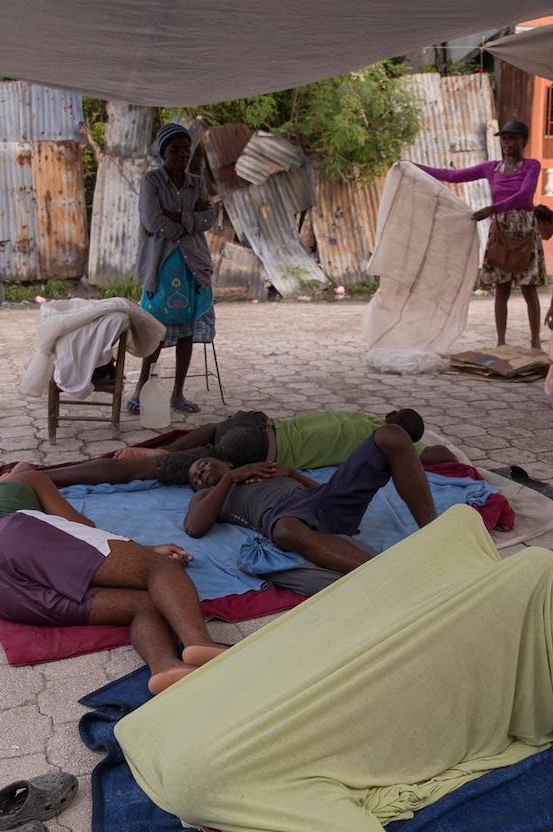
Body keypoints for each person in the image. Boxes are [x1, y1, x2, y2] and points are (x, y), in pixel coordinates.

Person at [115, 506, 553, 832]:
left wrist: (242, 829)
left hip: (228, 733)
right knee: (360, 648)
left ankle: (481, 602)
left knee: (492, 565)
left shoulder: (181, 759)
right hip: (212, 723)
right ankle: (476, 603)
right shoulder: (156, 740)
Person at [0, 463, 226, 694]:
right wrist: (145, 552)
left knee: (144, 603)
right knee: (159, 569)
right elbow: (82, 526)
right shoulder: (26, 479)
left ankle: (165, 667)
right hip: (12, 537)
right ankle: (198, 643)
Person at [182, 425, 438, 575]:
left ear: (226, 462)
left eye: (202, 464)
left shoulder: (259, 468)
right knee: (285, 530)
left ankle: (435, 531)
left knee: (389, 434)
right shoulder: (209, 496)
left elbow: (324, 493)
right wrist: (229, 480)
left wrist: (293, 473)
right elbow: (194, 527)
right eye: (194, 478)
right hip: (285, 518)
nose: (199, 473)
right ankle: (386, 574)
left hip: (318, 501)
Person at [43, 408, 454, 488]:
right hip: (259, 446)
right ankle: (156, 460)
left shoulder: (361, 417)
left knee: (211, 430)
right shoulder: (384, 441)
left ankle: (158, 453)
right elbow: (442, 457)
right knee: (147, 472)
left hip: (254, 421)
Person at [417, 120, 544, 349]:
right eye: (504, 138)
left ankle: (535, 343)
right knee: (501, 288)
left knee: (529, 287)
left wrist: (493, 209)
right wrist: (418, 168)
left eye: (513, 138)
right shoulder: (491, 168)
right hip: (501, 231)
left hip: (524, 230)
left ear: (523, 141)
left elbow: (525, 195)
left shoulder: (531, 166)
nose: (507, 143)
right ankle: (501, 343)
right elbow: (454, 175)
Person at [131, 123, 217, 415]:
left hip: (193, 265)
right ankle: (141, 390)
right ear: (162, 153)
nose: (181, 154)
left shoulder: (197, 182)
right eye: (174, 149)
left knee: (187, 332)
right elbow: (153, 221)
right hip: (161, 266)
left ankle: (177, 395)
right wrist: (190, 221)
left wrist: (178, 217)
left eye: (185, 149)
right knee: (154, 329)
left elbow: (210, 218)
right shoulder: (151, 182)